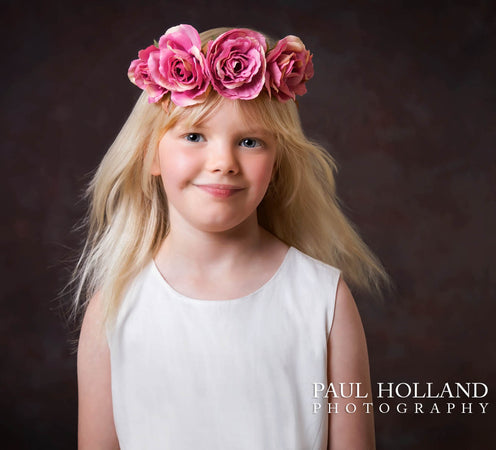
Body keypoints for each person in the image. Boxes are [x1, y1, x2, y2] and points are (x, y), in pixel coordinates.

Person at [73, 24, 387, 450]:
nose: (223, 162)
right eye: (194, 135)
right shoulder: (115, 307)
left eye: (251, 141)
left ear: (276, 160)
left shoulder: (322, 298)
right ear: (151, 153)